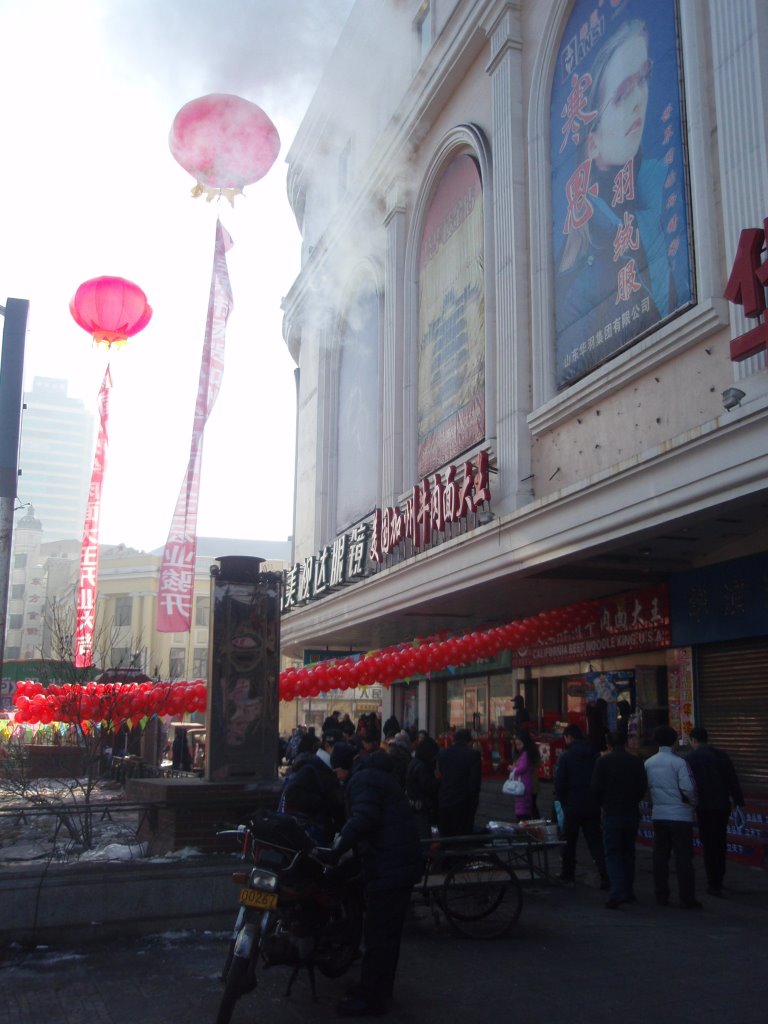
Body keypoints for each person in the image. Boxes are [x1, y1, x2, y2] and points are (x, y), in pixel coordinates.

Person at [555, 18, 690, 381]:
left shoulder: (652, 200)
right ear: (592, 139)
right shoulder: (583, 263)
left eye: (643, 78)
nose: (638, 101)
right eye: (621, 93)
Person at [329, 748, 423, 1017]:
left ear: (344, 768)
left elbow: (363, 819)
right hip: (397, 864)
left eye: (337, 772)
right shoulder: (377, 777)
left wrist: (337, 846)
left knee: (379, 934)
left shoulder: (365, 780)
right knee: (386, 935)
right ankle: (378, 988)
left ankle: (371, 998)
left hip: (390, 867)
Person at [644, 725, 700, 909]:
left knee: (660, 857)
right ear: (674, 741)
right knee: (683, 858)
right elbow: (689, 789)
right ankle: (687, 897)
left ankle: (661, 895)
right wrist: (692, 803)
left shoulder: (649, 763)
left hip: (659, 815)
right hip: (680, 815)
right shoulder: (679, 763)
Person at [591, 730, 647, 908]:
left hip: (611, 812)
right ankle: (628, 891)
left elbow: (595, 789)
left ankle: (617, 892)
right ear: (626, 743)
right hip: (631, 812)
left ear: (608, 744)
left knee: (613, 853)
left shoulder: (603, 762)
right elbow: (641, 788)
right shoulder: (635, 762)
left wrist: (602, 804)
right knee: (628, 853)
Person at [686, 727, 745, 896]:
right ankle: (719, 876)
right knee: (720, 840)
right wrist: (738, 801)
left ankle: (713, 881)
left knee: (709, 843)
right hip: (722, 805)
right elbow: (732, 779)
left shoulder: (690, 759)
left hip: (704, 807)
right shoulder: (721, 756)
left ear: (693, 740)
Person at [553, 724, 609, 888]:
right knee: (595, 842)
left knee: (569, 842)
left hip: (571, 805)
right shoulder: (595, 754)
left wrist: (563, 801)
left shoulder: (566, 756)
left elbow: (560, 783)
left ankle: (568, 873)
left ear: (569, 737)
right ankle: (605, 874)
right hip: (592, 805)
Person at [436, 728, 482, 837]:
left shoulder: (443, 753)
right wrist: (473, 805)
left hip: (445, 800)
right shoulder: (473, 755)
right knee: (462, 840)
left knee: (446, 839)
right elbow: (474, 784)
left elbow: (442, 774)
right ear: (469, 741)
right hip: (463, 802)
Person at [405, 734, 441, 838]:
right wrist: (439, 781)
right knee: (423, 835)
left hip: (413, 805)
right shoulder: (423, 766)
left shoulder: (414, 762)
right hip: (421, 807)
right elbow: (427, 785)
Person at [508, 729, 540, 822]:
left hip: (527, 782)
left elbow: (521, 767)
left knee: (530, 806)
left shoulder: (526, 753)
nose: (517, 746)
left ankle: (533, 824)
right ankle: (534, 823)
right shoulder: (530, 751)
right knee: (531, 805)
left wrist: (514, 768)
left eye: (518, 744)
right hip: (530, 782)